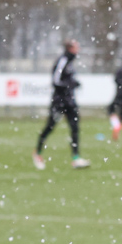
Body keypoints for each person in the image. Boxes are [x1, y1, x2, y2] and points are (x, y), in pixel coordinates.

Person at [34, 40, 89, 170]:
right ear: (70, 48)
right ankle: (38, 153)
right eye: (77, 47)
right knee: (50, 127)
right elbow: (56, 81)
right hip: (59, 102)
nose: (79, 49)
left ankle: (76, 158)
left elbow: (67, 79)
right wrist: (71, 85)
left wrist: (74, 83)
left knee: (75, 128)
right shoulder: (62, 60)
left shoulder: (70, 62)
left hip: (70, 102)